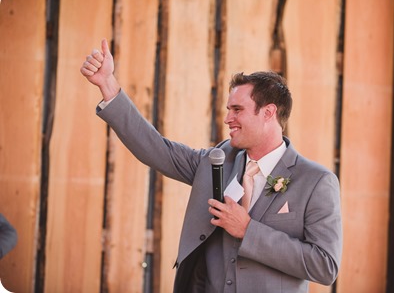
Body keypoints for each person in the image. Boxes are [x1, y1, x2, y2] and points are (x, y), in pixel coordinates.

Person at [81, 39, 342, 293]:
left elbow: (325, 266)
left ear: (268, 113)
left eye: (237, 109)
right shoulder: (217, 159)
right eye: (228, 109)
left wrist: (248, 230)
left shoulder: (316, 181)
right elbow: (156, 149)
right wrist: (107, 84)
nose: (228, 118)